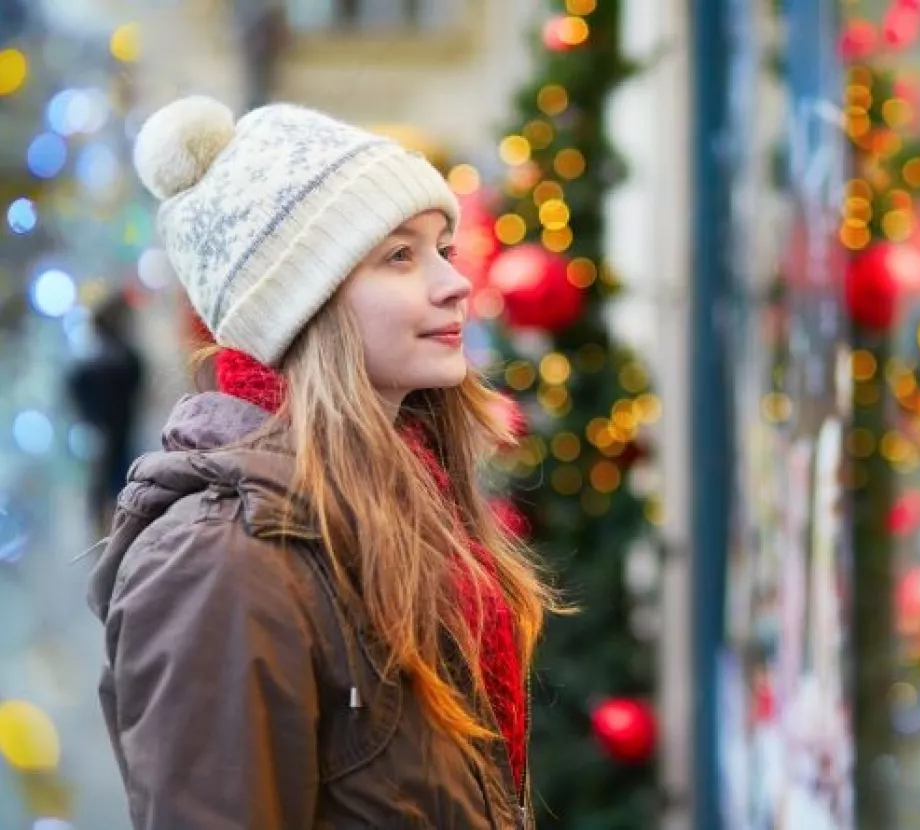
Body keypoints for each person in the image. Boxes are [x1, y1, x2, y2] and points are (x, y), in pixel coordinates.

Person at [86, 96, 554, 829]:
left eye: (442, 248)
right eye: (399, 255)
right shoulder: (223, 560)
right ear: (300, 306)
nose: (453, 282)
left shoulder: (405, 502)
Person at [66, 291, 146, 537]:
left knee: (105, 479)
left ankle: (108, 529)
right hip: (112, 429)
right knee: (114, 478)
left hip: (105, 429)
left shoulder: (95, 359)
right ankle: (114, 528)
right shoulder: (121, 359)